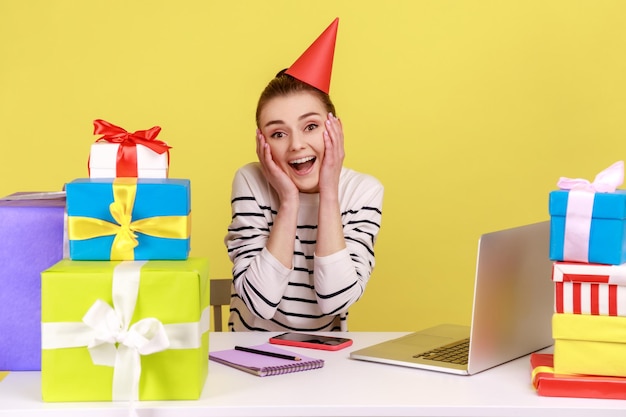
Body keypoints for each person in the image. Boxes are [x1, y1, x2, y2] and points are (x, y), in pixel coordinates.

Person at [224, 19, 384, 332]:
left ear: (334, 128)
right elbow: (260, 302)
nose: (296, 144)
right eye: (278, 133)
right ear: (264, 143)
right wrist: (289, 201)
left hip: (326, 361)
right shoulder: (250, 181)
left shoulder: (363, 191)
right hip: (250, 352)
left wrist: (329, 192)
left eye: (310, 126)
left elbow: (335, 300)